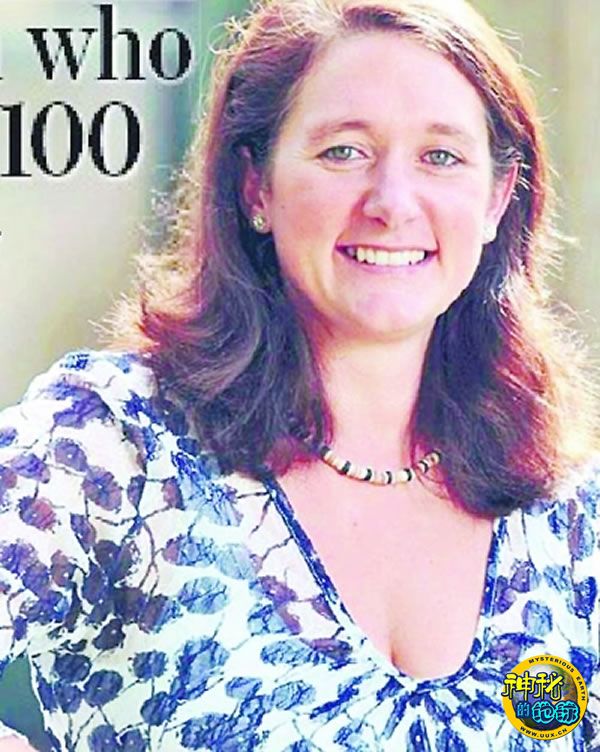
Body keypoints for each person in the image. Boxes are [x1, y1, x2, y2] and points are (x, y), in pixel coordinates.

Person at [0, 0, 598, 749]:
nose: (392, 203)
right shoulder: (115, 445)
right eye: (344, 151)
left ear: (497, 199)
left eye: (441, 156)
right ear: (256, 187)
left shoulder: (569, 516)